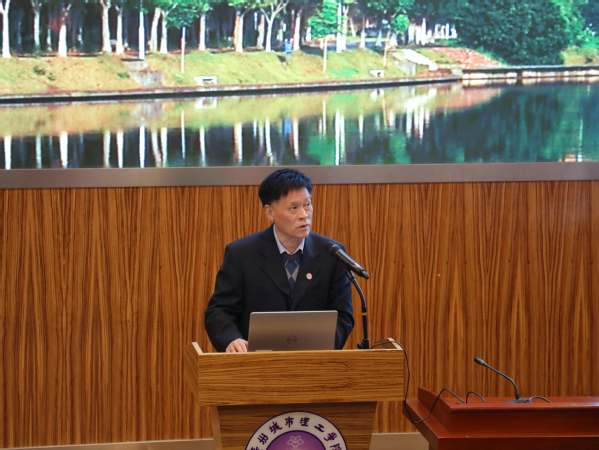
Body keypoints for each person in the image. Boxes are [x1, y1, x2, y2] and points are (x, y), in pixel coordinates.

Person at [204, 168, 354, 353]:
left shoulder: (332, 254)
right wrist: (231, 339)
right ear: (269, 212)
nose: (304, 214)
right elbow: (219, 311)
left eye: (307, 204)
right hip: (255, 362)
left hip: (314, 360)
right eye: (293, 208)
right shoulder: (241, 254)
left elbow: (343, 315)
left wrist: (323, 345)